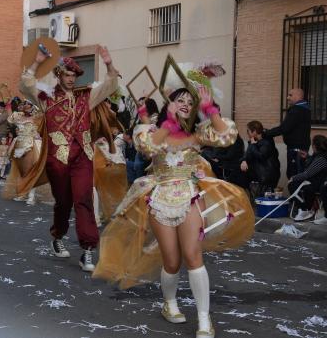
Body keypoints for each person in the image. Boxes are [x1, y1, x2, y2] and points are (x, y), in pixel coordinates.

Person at [95, 64, 254, 338]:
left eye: (190, 102)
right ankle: (169, 304)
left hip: (190, 194)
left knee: (193, 255)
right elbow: (147, 148)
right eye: (180, 99)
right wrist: (164, 122)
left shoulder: (199, 131)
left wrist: (210, 108)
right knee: (171, 262)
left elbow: (228, 136)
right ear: (170, 102)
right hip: (160, 197)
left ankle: (205, 320)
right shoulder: (151, 130)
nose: (185, 104)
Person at [20, 45, 120, 272]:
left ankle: (87, 250)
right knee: (63, 202)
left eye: (74, 74)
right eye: (67, 74)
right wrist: (36, 62)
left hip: (83, 155)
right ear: (59, 75)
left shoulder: (87, 96)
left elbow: (110, 85)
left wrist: (108, 64)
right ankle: (57, 235)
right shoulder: (46, 97)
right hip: (58, 158)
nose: (72, 78)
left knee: (83, 198)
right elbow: (25, 84)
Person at [3, 99, 44, 204]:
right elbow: (9, 119)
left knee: (31, 170)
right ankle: (23, 193)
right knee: (22, 171)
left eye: (27, 104)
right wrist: (8, 105)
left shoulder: (37, 117)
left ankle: (31, 195)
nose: (24, 105)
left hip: (31, 145)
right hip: (20, 145)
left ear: (32, 106)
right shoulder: (18, 116)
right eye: (24, 103)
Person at [265, 88, 311, 178]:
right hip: (299, 148)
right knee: (297, 174)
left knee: (294, 176)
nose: (287, 97)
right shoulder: (304, 108)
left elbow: (284, 128)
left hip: (296, 149)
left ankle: (297, 192)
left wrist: (266, 133)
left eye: (290, 95)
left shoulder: (297, 110)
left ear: (298, 96)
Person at [288, 134, 327, 221]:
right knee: (293, 185)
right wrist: (307, 157)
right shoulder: (317, 155)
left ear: (314, 146)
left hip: (317, 183)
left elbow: (308, 174)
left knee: (294, 184)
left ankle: (305, 209)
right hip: (313, 181)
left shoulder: (322, 158)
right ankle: (304, 208)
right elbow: (313, 167)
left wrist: (293, 177)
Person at [239, 121, 280, 194]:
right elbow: (247, 154)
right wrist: (244, 160)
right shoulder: (254, 141)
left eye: (248, 131)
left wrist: (253, 146)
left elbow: (261, 156)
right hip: (257, 174)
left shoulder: (267, 143)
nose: (247, 133)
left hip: (266, 176)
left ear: (254, 131)